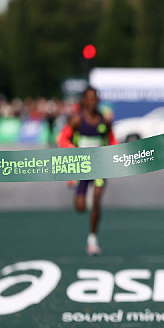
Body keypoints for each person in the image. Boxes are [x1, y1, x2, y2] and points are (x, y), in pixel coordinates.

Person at [57, 86, 117, 255]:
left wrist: (113, 155)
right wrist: (72, 150)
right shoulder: (77, 120)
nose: (92, 102)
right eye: (88, 98)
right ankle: (79, 189)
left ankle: (92, 239)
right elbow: (61, 138)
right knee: (81, 207)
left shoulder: (105, 121)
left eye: (94, 98)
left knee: (97, 200)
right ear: (83, 101)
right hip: (81, 167)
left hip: (99, 167)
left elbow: (112, 140)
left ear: (98, 100)